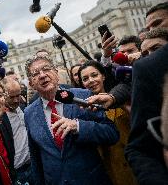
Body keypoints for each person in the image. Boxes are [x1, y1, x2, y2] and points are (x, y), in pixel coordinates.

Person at [24, 55, 119, 185]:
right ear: (31, 83)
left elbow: (111, 133)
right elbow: (36, 158)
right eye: (35, 73)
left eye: (46, 69)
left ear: (56, 73)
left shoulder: (83, 96)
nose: (42, 75)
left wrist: (78, 126)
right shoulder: (29, 113)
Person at [125, 2, 168, 185]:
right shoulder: (148, 68)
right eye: (147, 27)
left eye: (157, 24)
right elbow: (140, 149)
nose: (150, 31)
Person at [78, 60, 136, 185]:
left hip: (138, 165)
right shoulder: (84, 111)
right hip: (112, 171)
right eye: (85, 79)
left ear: (103, 76)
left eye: (94, 75)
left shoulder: (121, 97)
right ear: (82, 84)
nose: (91, 81)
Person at [2, 76, 32, 184]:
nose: (16, 100)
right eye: (11, 96)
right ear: (3, 94)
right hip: (18, 172)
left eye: (18, 95)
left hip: (33, 165)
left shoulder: (22, 107)